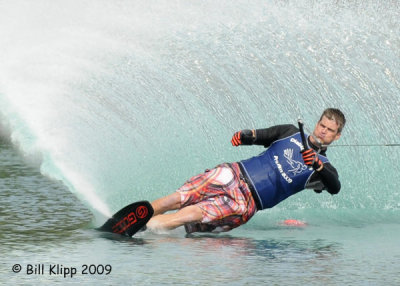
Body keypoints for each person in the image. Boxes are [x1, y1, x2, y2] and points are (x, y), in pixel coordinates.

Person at [146, 108, 346, 234]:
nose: (323, 130)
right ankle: (133, 219)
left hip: (245, 203)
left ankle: (144, 231)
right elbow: (259, 135)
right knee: (176, 199)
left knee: (190, 216)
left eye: (330, 130)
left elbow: (334, 186)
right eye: (322, 125)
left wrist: (317, 165)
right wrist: (244, 136)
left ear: (337, 136)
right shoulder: (290, 132)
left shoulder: (323, 168)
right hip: (233, 174)